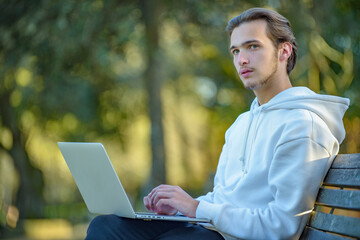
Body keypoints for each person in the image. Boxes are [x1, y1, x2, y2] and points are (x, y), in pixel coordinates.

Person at [85, 7, 350, 240]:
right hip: (212, 230)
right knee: (105, 227)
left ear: (284, 51)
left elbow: (282, 227)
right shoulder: (241, 124)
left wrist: (197, 209)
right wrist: (180, 207)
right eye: (236, 50)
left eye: (253, 46)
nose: (241, 60)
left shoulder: (302, 126)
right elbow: (223, 198)